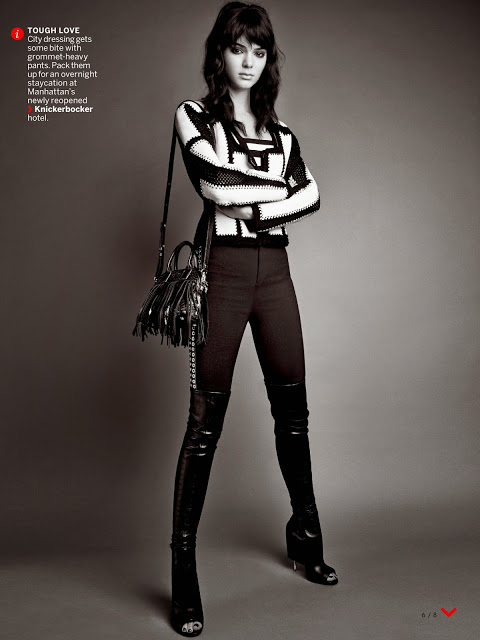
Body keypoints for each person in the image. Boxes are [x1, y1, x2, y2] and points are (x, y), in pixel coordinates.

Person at [169, 2, 338, 636]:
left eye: (259, 51)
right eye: (238, 48)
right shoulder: (193, 116)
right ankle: (183, 569)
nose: (248, 61)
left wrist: (258, 204)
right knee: (204, 424)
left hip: (276, 276)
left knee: (293, 412)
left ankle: (306, 533)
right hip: (224, 273)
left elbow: (314, 194)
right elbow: (214, 185)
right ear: (219, 52)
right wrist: (276, 196)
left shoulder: (283, 133)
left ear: (268, 60)